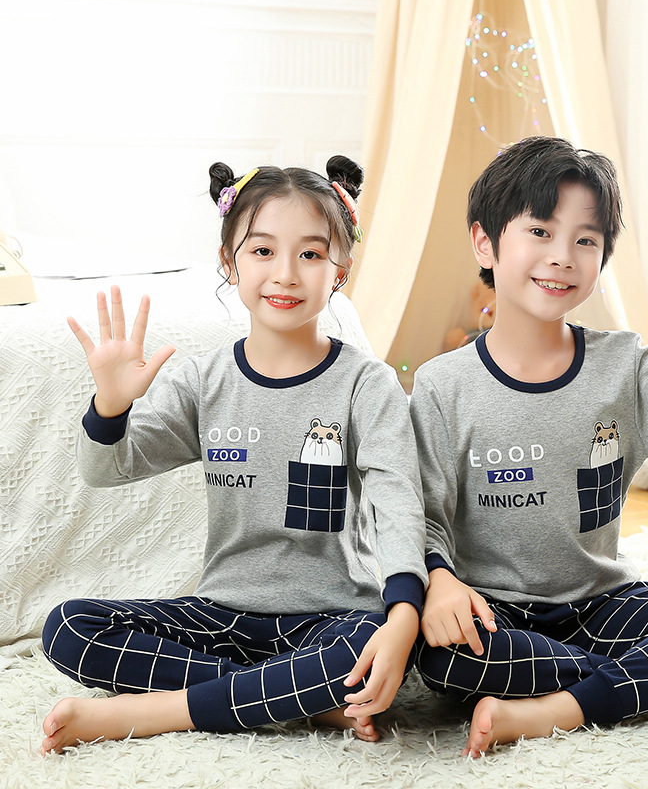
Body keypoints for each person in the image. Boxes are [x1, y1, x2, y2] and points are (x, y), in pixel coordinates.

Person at [409, 136, 648, 757]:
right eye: (540, 231)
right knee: (439, 656)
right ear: (485, 242)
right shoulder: (441, 385)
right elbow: (423, 515)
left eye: (585, 241)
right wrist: (440, 580)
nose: (562, 257)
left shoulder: (626, 367)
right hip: (495, 616)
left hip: (604, 606)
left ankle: (555, 709)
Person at [40, 156, 427, 755]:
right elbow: (105, 469)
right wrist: (110, 405)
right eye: (262, 250)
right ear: (229, 260)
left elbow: (397, 503)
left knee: (373, 645)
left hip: (332, 619)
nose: (286, 274)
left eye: (311, 254)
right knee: (69, 627)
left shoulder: (366, 383)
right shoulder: (204, 381)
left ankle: (148, 713)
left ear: (341, 269)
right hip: (221, 615)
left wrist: (403, 610)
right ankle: (292, 698)